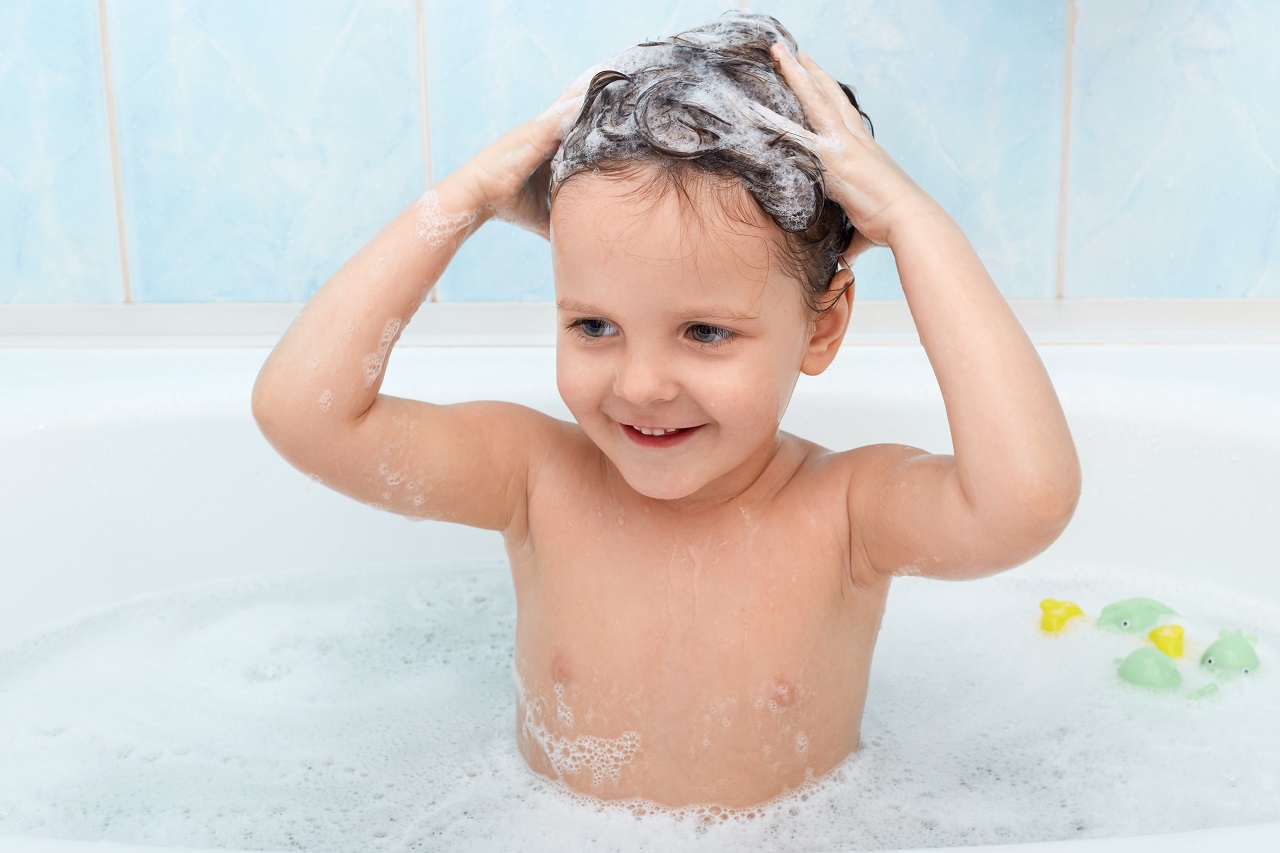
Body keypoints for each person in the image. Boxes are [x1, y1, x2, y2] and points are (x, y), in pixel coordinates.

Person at [252, 11, 1081, 809]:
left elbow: (1025, 501)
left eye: (705, 331)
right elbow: (306, 413)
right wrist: (467, 194)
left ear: (820, 326)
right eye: (594, 325)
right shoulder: (536, 479)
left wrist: (913, 224)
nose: (641, 384)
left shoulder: (847, 513)